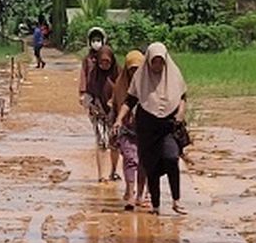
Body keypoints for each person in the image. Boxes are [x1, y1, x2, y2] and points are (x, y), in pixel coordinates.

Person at [112, 42, 187, 215]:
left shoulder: (174, 75)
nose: (157, 66)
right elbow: (130, 101)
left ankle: (176, 201)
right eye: (154, 62)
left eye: (161, 62)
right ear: (148, 62)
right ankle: (156, 205)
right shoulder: (141, 78)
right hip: (147, 128)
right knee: (151, 165)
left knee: (171, 158)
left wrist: (180, 113)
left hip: (168, 126)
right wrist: (119, 119)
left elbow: (182, 97)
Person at [78, 28, 120, 182]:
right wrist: (84, 97)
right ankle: (101, 175)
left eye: (98, 40)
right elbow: (85, 80)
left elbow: (124, 88)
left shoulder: (117, 71)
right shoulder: (89, 64)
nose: (104, 64)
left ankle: (113, 171)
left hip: (115, 112)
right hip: (97, 108)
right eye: (93, 40)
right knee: (101, 141)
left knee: (115, 143)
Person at [111, 49, 147, 210]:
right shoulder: (120, 85)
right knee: (130, 159)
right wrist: (116, 123)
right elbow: (116, 106)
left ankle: (140, 194)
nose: (135, 73)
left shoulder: (150, 84)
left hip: (146, 128)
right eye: (132, 69)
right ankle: (130, 193)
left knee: (143, 162)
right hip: (126, 128)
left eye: (138, 69)